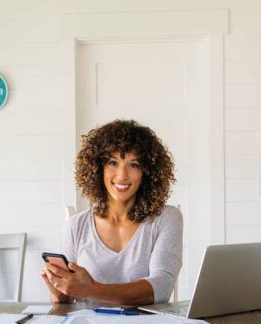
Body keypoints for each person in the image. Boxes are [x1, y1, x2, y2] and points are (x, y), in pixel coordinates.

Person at [42, 119, 183, 305]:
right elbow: (68, 302)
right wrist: (59, 294)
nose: (122, 175)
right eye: (113, 162)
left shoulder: (166, 218)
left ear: (147, 172)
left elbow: (162, 287)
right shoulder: (77, 225)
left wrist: (92, 290)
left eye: (133, 164)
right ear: (97, 168)